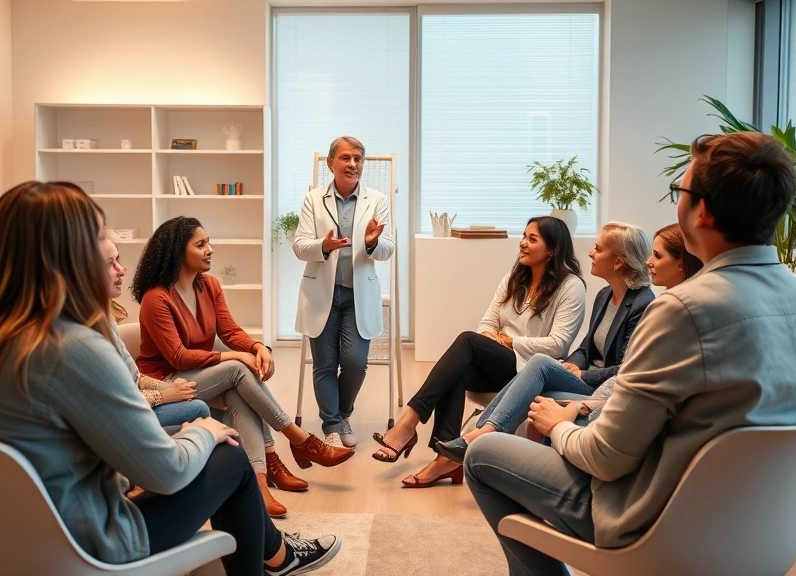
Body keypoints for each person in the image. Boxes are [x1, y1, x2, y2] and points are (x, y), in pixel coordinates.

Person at [0, 181, 342, 576]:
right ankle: (277, 553)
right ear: (69, 254)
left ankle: (276, 549)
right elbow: (166, 473)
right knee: (226, 453)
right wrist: (204, 433)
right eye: (100, 234)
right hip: (74, 548)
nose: (113, 249)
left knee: (216, 414)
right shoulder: (69, 347)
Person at [465, 132, 796, 576]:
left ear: (703, 211)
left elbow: (605, 458)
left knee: (482, 454)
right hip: (760, 527)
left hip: (654, 521)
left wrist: (560, 427)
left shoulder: (683, 310)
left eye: (680, 191)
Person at [133, 216, 353, 519]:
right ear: (177, 253)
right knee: (239, 370)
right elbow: (178, 357)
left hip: (199, 375)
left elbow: (230, 331)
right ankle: (298, 439)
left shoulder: (209, 286)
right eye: (201, 245)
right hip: (168, 382)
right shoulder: (155, 298)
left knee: (239, 394)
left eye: (208, 242)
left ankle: (260, 485)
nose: (210, 250)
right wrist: (233, 357)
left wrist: (258, 347)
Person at [372, 216, 586, 488]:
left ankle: (408, 423)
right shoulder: (514, 278)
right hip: (503, 365)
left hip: (532, 370)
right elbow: (487, 322)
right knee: (457, 371)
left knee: (467, 342)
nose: (522, 243)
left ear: (553, 249)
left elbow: (558, 344)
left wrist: (508, 342)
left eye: (532, 239)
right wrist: (491, 338)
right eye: (523, 236)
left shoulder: (571, 287)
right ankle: (446, 458)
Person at [435, 222, 654, 463]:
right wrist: (569, 365)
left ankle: (482, 435)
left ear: (619, 262)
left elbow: (628, 369)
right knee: (522, 366)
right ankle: (472, 441)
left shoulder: (643, 304)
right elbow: (585, 348)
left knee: (538, 363)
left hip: (601, 391)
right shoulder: (605, 295)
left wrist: (582, 375)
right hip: (583, 377)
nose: (591, 253)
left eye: (598, 249)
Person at [293, 136, 395, 448]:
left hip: (357, 295)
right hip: (322, 293)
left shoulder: (377, 199)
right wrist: (323, 246)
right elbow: (300, 246)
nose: (353, 164)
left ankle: (344, 412)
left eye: (358, 159)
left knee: (354, 362)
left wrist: (373, 242)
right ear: (331, 163)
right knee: (324, 364)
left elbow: (388, 248)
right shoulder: (313, 199)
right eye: (346, 158)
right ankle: (332, 426)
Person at [101, 234, 210, 428]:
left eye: (118, 260)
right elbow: (114, 401)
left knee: (236, 383)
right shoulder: (155, 298)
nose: (122, 270)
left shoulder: (105, 317)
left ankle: (264, 455)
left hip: (149, 390)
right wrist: (164, 394)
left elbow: (135, 377)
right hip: (120, 417)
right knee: (203, 405)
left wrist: (169, 390)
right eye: (110, 263)